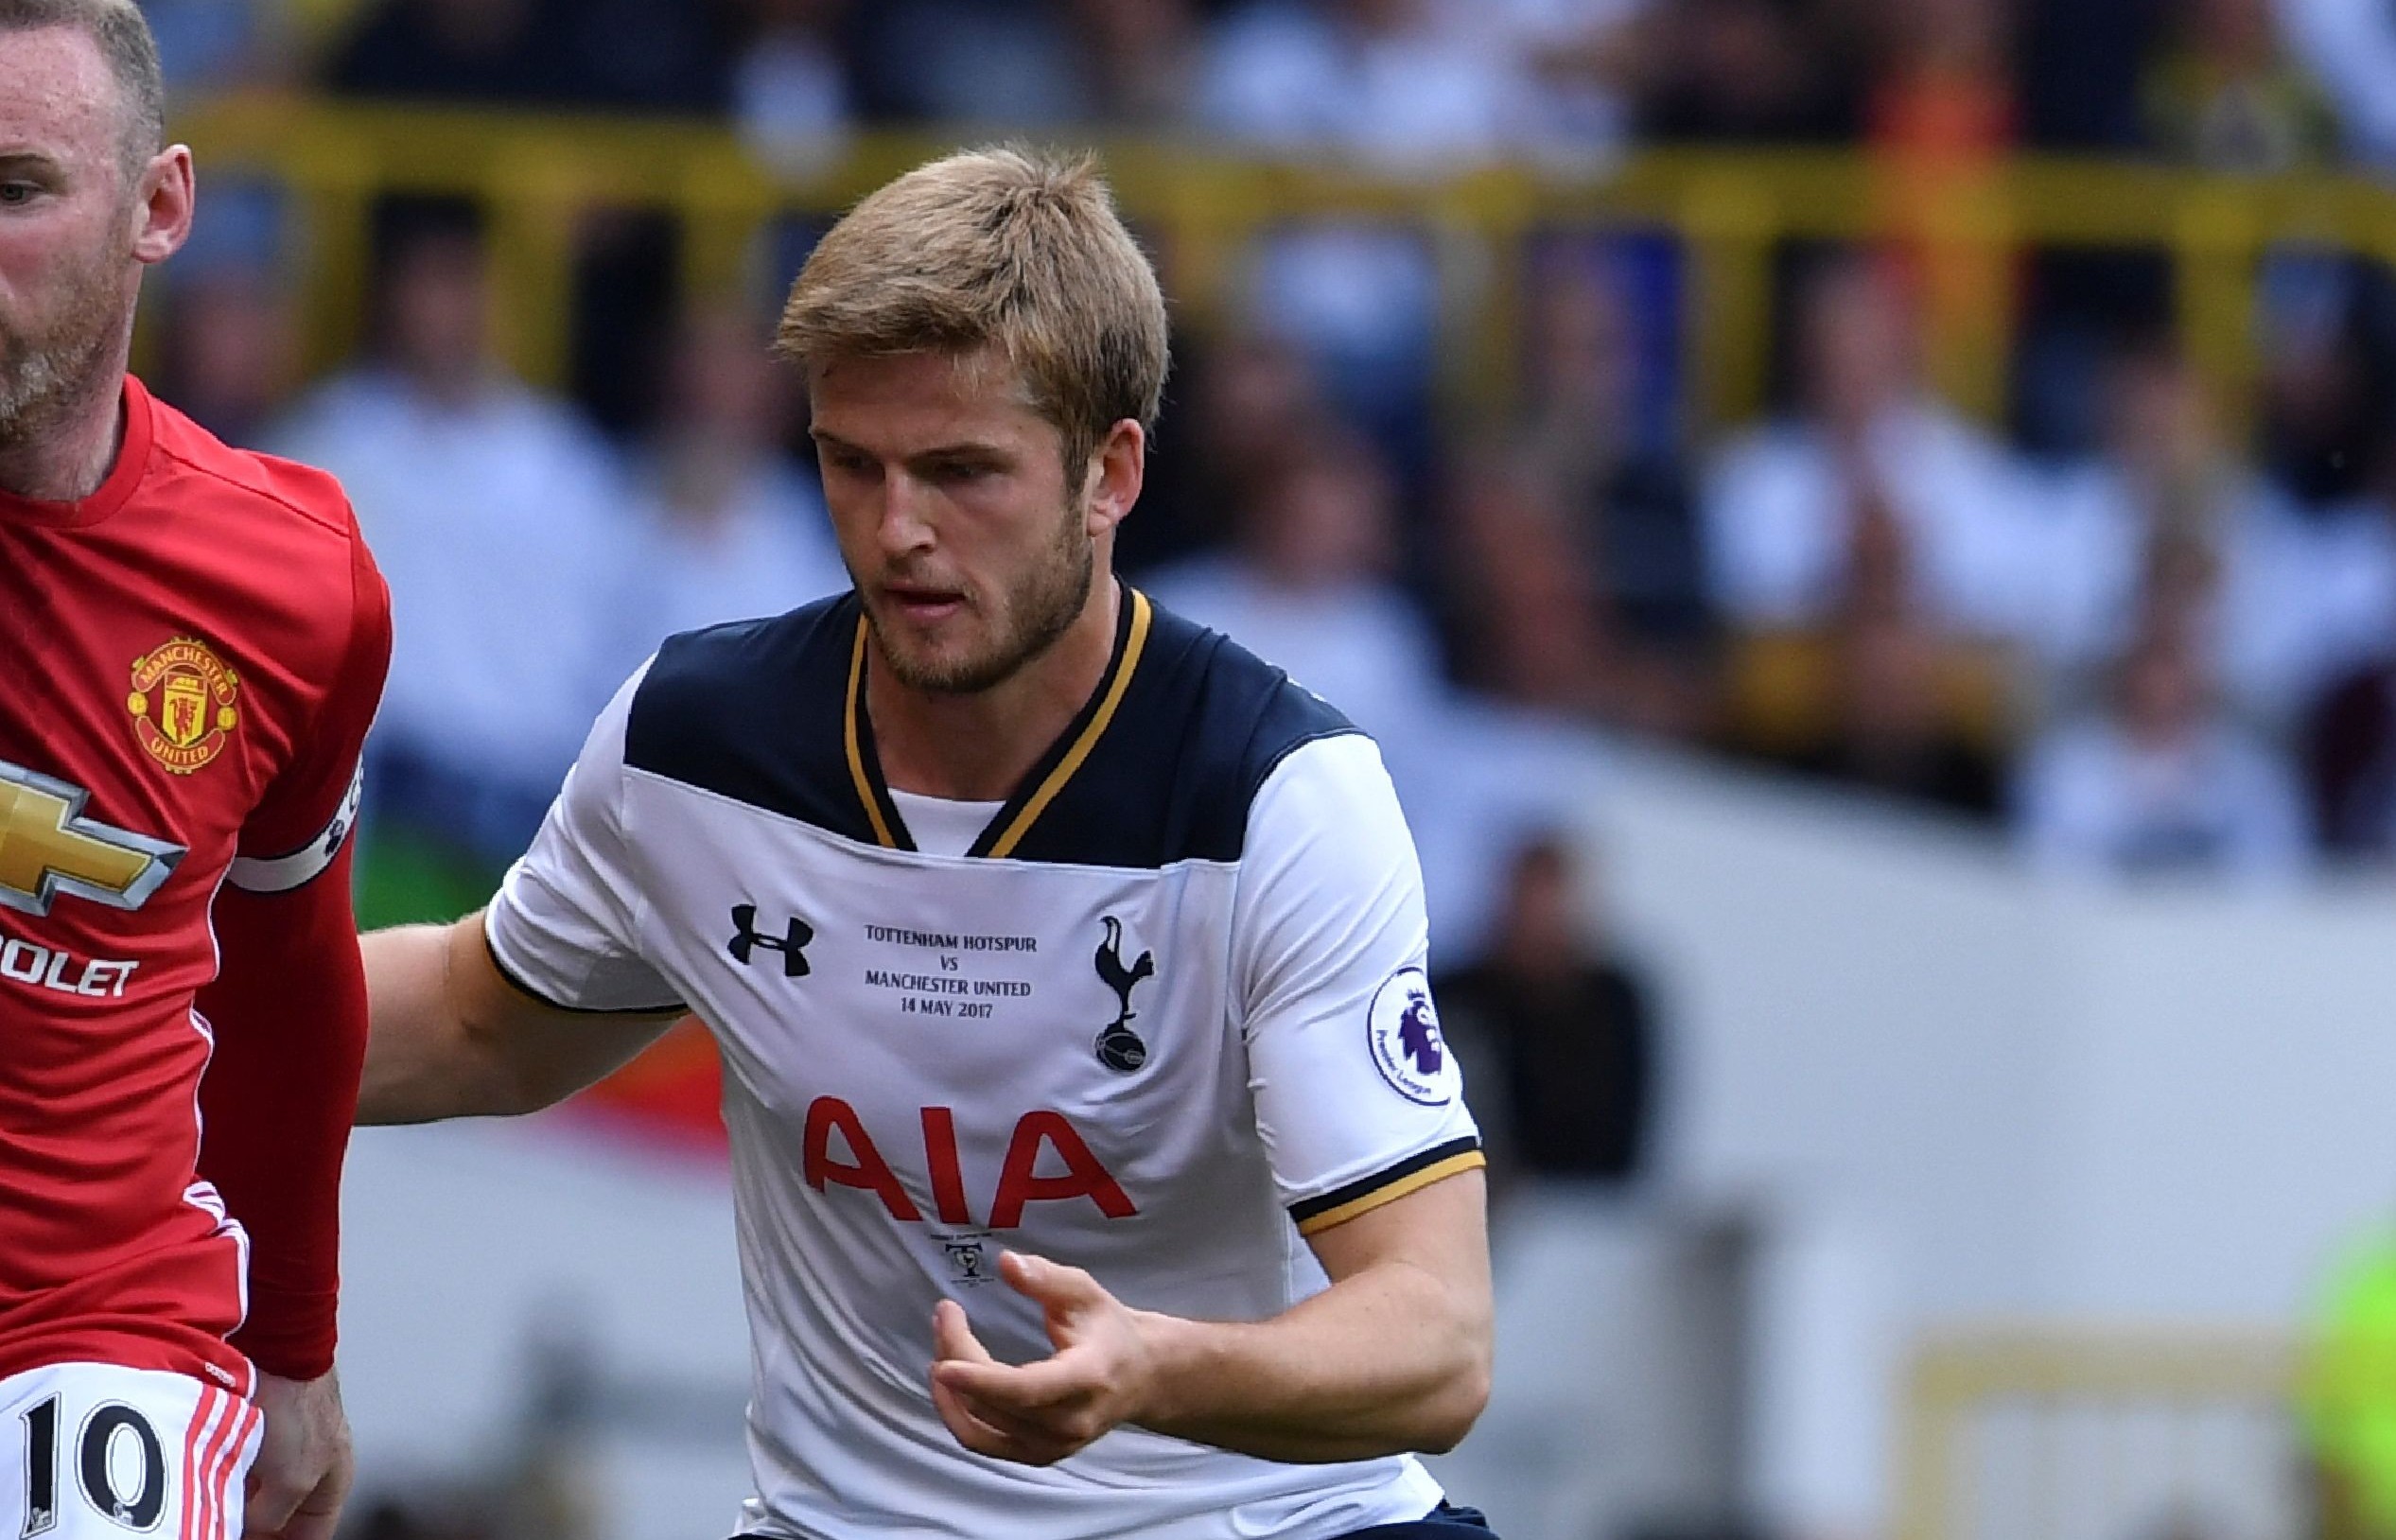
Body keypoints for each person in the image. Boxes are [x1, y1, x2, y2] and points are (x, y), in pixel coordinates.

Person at [357, 146, 1497, 1540]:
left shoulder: (1271, 798)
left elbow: (1435, 1337)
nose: (897, 533)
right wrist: (115, 1012)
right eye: (851, 465)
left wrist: (1151, 1371)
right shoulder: (696, 741)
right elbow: (480, 1024)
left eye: (963, 472)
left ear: (1109, 472)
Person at [0, 5, 392, 1540]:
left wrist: (292, 1349)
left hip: (100, 1329)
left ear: (159, 208)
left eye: (16, 189)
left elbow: (292, 982)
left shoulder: (296, 587)